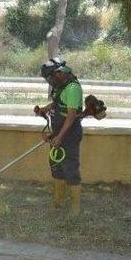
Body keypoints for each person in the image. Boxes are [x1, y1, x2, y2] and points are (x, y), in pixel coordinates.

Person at [35, 58, 83, 214]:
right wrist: (44, 109)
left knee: (70, 168)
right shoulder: (61, 87)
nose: (50, 81)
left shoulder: (73, 88)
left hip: (68, 134)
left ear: (59, 73)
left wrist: (60, 137)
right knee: (56, 166)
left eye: (50, 77)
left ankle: (75, 208)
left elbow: (71, 115)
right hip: (57, 133)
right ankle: (57, 202)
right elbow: (57, 104)